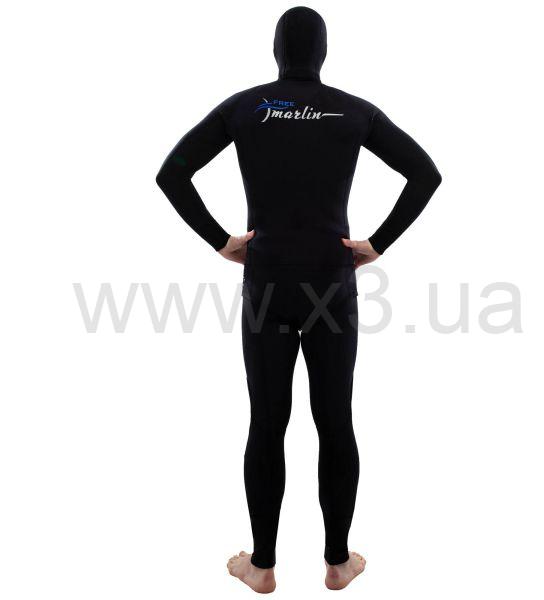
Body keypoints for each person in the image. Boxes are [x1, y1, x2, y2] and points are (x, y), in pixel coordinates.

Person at [156, 6, 441, 593]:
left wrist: (223, 242)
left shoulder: (246, 107)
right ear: (323, 53)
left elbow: (173, 172)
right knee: (335, 420)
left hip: (267, 283)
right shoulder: (352, 111)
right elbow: (424, 173)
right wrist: (377, 244)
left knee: (267, 422)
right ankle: (337, 562)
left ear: (276, 51)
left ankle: (261, 566)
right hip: (331, 284)